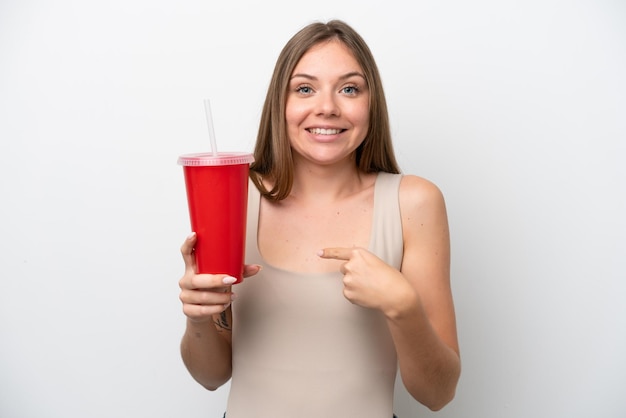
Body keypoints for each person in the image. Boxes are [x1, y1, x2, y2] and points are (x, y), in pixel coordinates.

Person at [178, 19, 460, 418]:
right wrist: (199, 318)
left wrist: (403, 306)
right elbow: (210, 375)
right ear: (281, 103)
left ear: (371, 102)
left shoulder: (414, 203)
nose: (327, 107)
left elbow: (438, 393)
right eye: (305, 88)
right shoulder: (233, 196)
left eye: (349, 88)